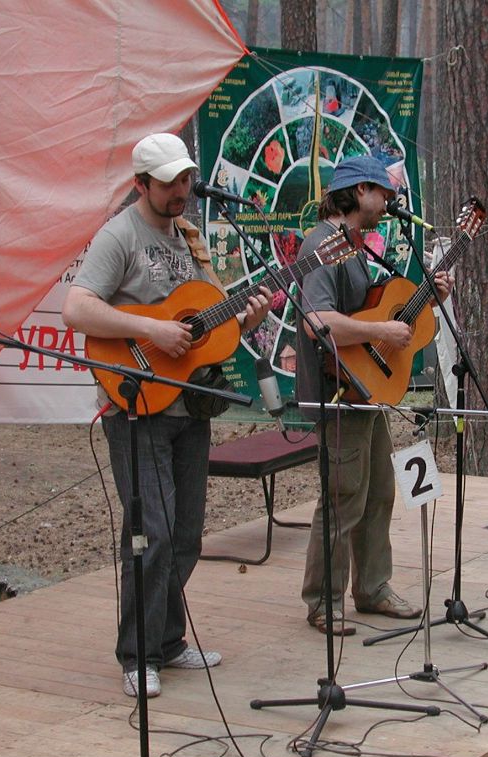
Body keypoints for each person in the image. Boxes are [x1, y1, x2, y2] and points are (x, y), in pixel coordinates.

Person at [62, 133, 271, 697]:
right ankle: (137, 654)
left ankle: (169, 641)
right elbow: (77, 308)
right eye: (170, 183)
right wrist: (150, 329)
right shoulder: (119, 235)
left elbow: (208, 333)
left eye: (185, 180)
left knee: (185, 534)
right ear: (141, 184)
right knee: (149, 533)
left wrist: (247, 320)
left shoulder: (191, 239)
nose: (182, 192)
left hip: (188, 403)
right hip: (136, 403)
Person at [294, 155, 451, 636]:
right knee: (343, 498)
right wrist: (380, 328)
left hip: (366, 388)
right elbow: (316, 322)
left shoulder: (355, 248)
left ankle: (373, 588)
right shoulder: (322, 244)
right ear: (358, 191)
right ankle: (324, 601)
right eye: (382, 192)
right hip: (337, 389)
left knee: (381, 490)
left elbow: (372, 311)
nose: (388, 202)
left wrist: (430, 298)